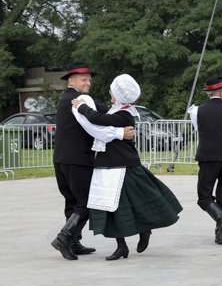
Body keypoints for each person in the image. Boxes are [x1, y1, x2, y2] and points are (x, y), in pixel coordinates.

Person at [71, 74, 182, 260]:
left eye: (112, 92)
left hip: (123, 165)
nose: (110, 95)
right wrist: (87, 101)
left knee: (130, 204)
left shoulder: (124, 114)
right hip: (109, 164)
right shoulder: (117, 110)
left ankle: (144, 230)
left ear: (118, 96)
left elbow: (96, 117)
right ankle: (122, 246)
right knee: (111, 207)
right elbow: (101, 111)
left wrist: (81, 105)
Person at [50, 62, 134, 261]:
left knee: (72, 201)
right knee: (86, 202)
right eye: (83, 79)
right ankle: (64, 238)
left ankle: (73, 242)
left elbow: (102, 112)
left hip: (61, 158)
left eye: (89, 79)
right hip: (78, 159)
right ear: (71, 81)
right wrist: (119, 132)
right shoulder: (80, 99)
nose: (88, 82)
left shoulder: (67, 98)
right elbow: (92, 126)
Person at [189, 76, 222, 245]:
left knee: (204, 195)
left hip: (208, 156)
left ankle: (221, 220)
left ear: (209, 93)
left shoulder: (197, 110)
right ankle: (221, 230)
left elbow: (200, 128)